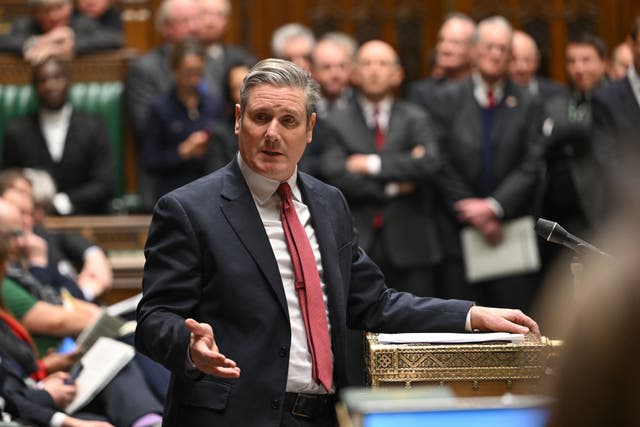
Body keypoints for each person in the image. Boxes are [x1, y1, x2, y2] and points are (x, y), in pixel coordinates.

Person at [135, 58, 540, 427]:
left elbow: (374, 303)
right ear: (239, 120)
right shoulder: (188, 209)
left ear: (310, 129)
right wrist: (189, 346)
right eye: (261, 117)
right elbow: (154, 319)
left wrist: (470, 316)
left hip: (321, 417)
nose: (273, 134)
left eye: (288, 121)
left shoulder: (328, 203)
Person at [430, 16, 544, 311]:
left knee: (514, 331)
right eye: (489, 46)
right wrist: (471, 208)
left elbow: (532, 163)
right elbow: (440, 161)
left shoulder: (528, 102)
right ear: (474, 51)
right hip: (458, 233)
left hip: (509, 231)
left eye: (503, 48)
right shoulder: (445, 99)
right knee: (460, 333)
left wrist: (494, 207)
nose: (496, 54)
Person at [2, 57, 115, 215]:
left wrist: (62, 202)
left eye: (57, 78)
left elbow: (105, 183)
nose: (50, 85)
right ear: (35, 87)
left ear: (68, 82)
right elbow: (9, 183)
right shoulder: (16, 131)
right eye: (43, 80)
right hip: (33, 218)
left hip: (86, 215)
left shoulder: (94, 126)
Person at [140, 37, 231, 204]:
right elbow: (150, 161)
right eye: (188, 73)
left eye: (199, 73)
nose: (194, 80)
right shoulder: (160, 108)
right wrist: (181, 152)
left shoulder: (213, 105)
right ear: (174, 69)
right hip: (174, 191)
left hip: (212, 189)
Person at [0, 169, 113, 301]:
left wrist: (94, 254)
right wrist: (38, 266)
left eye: (30, 213)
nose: (27, 221)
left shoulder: (37, 237)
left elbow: (67, 239)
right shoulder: (8, 256)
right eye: (20, 212)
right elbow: (47, 307)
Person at [0, 0, 122, 64]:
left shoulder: (83, 23)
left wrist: (71, 44)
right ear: (35, 13)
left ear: (70, 7)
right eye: (46, 11)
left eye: (59, 8)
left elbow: (117, 38)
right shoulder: (24, 25)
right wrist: (38, 41)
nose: (53, 16)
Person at [408, 13, 476, 116]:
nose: (445, 48)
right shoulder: (421, 93)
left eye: (455, 43)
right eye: (441, 40)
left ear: (472, 50)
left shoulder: (482, 92)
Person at [195, 0, 256, 102]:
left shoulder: (242, 59)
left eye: (218, 15)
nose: (210, 22)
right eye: (203, 14)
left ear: (227, 23)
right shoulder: (174, 57)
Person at [310, 32, 357, 119]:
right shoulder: (305, 108)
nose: (336, 74)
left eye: (342, 66)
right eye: (327, 67)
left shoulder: (362, 107)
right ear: (313, 71)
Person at [508, 30, 566, 100]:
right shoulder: (496, 96)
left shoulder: (557, 94)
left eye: (527, 60)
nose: (521, 68)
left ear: (537, 61)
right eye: (514, 60)